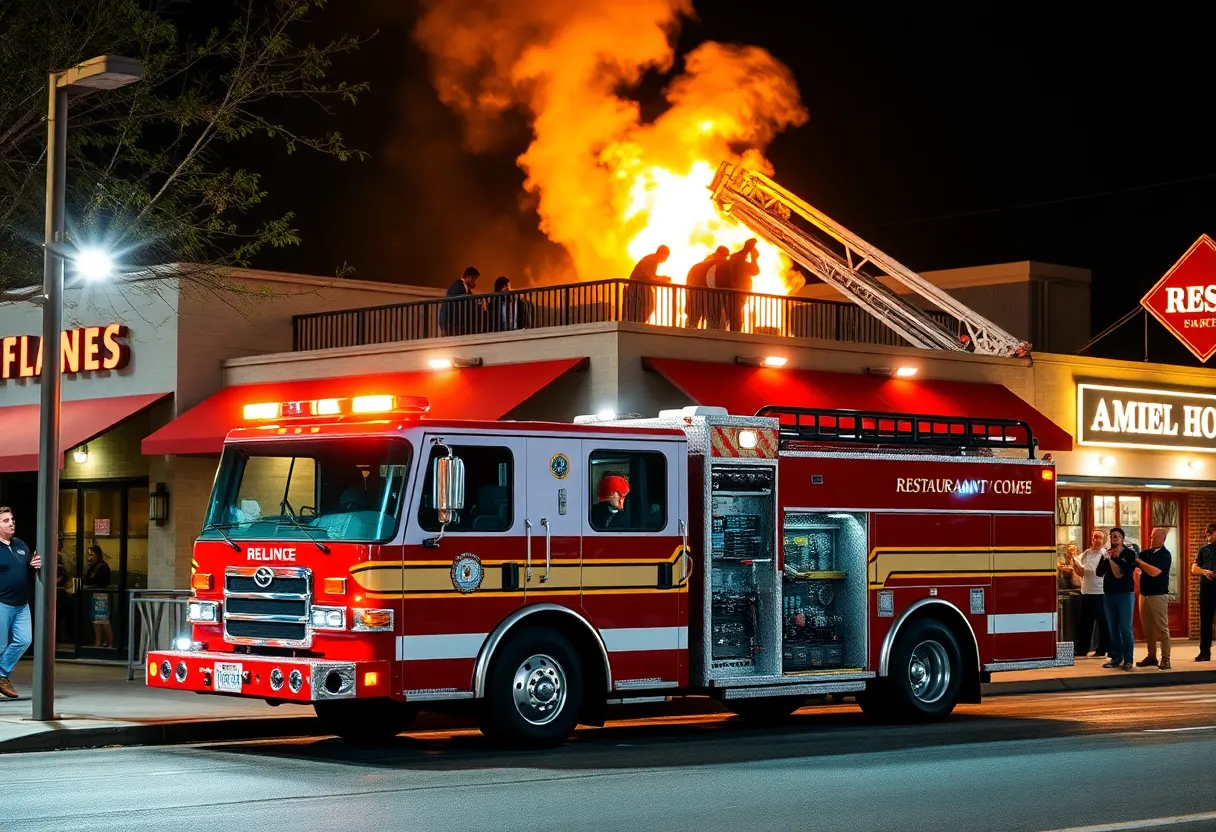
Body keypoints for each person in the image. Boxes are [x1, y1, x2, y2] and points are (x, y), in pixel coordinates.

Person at [0, 506, 42, 698]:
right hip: (2, 603)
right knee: (0, 645)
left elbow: (30, 564)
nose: (11, 523)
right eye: (6, 521)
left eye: (12, 519)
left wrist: (36, 564)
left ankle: (1, 674)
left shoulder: (20, 545)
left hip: (22, 604)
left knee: (24, 640)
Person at [1096, 526, 1137, 670]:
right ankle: (1115, 657)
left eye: (1117, 536)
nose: (1114, 538)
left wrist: (1111, 560)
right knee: (1112, 628)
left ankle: (1128, 659)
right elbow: (1099, 573)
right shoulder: (1106, 554)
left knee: (1125, 628)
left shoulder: (1129, 554)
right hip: (1109, 595)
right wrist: (1105, 558)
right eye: (1112, 536)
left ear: (1122, 539)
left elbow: (1119, 574)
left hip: (1125, 595)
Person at [1134, 527, 1171, 669]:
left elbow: (1154, 572)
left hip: (1158, 595)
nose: (1152, 539)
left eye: (1155, 536)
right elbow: (1136, 567)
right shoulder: (1146, 553)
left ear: (1162, 539)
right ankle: (1151, 656)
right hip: (1144, 594)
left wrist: (1140, 563)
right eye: (1151, 536)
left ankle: (1166, 659)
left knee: (1162, 628)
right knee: (1147, 628)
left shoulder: (1165, 555)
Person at [1071, 529, 1110, 657]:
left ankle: (1102, 648)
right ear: (1092, 539)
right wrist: (1075, 565)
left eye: (1100, 538)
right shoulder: (1087, 553)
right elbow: (1079, 570)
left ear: (1103, 540)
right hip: (1086, 591)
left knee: (1102, 622)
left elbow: (1094, 571)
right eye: (1095, 537)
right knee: (1085, 622)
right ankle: (1083, 648)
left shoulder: (1104, 554)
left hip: (1100, 592)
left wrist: (1081, 568)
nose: (1097, 540)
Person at [684, 246, 729, 329]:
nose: (724, 260)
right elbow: (714, 283)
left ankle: (689, 333)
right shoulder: (715, 266)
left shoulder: (699, 266)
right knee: (711, 321)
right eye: (724, 257)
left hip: (694, 296)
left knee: (693, 322)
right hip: (706, 297)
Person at [722, 238, 760, 332]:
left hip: (734, 294)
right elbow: (755, 270)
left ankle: (733, 331)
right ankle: (735, 333)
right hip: (737, 294)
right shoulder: (738, 262)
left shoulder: (732, 261)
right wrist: (753, 257)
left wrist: (748, 251)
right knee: (736, 317)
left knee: (733, 316)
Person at [626, 245, 670, 323]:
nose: (666, 259)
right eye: (666, 256)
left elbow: (649, 275)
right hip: (639, 287)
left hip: (637, 286)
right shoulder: (652, 260)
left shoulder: (650, 258)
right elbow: (650, 275)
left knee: (643, 307)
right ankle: (640, 323)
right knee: (647, 306)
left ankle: (639, 323)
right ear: (662, 254)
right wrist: (662, 278)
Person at [1193, 522, 1216, 661]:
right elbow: (1194, 568)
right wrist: (1204, 572)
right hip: (1206, 589)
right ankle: (1204, 652)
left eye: (1211, 533)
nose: (1208, 535)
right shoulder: (1203, 550)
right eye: (1207, 533)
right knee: (1205, 622)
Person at [84, 544, 113, 649]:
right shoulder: (92, 567)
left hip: (101, 596)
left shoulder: (102, 566)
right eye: (88, 555)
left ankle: (110, 642)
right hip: (94, 595)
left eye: (91, 555)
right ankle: (98, 641)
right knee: (96, 621)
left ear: (97, 555)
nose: (89, 557)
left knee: (103, 620)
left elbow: (95, 581)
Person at [438, 266, 481, 336]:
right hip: (453, 327)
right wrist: (444, 326)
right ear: (469, 277)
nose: (476, 282)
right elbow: (448, 307)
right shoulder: (457, 286)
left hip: (458, 328)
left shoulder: (465, 289)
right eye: (475, 279)